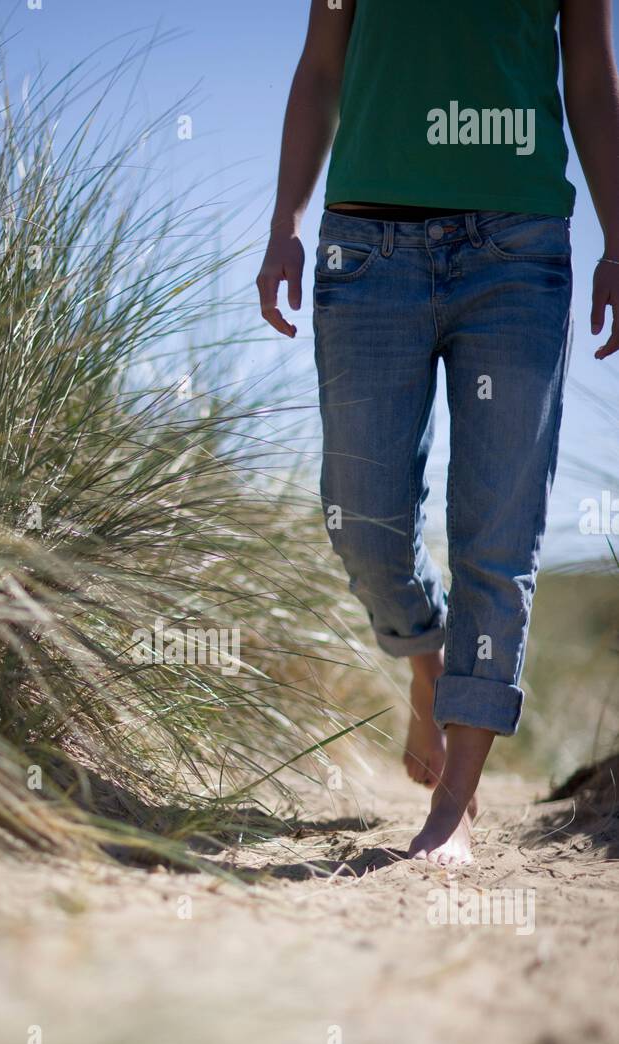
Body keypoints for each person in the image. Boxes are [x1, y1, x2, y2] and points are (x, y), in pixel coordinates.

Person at [257, 0, 619, 865]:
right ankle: (426, 650)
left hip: (519, 247)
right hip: (365, 242)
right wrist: (284, 225)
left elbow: (593, 76)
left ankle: (454, 805)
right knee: (360, 514)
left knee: (500, 528)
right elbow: (318, 70)